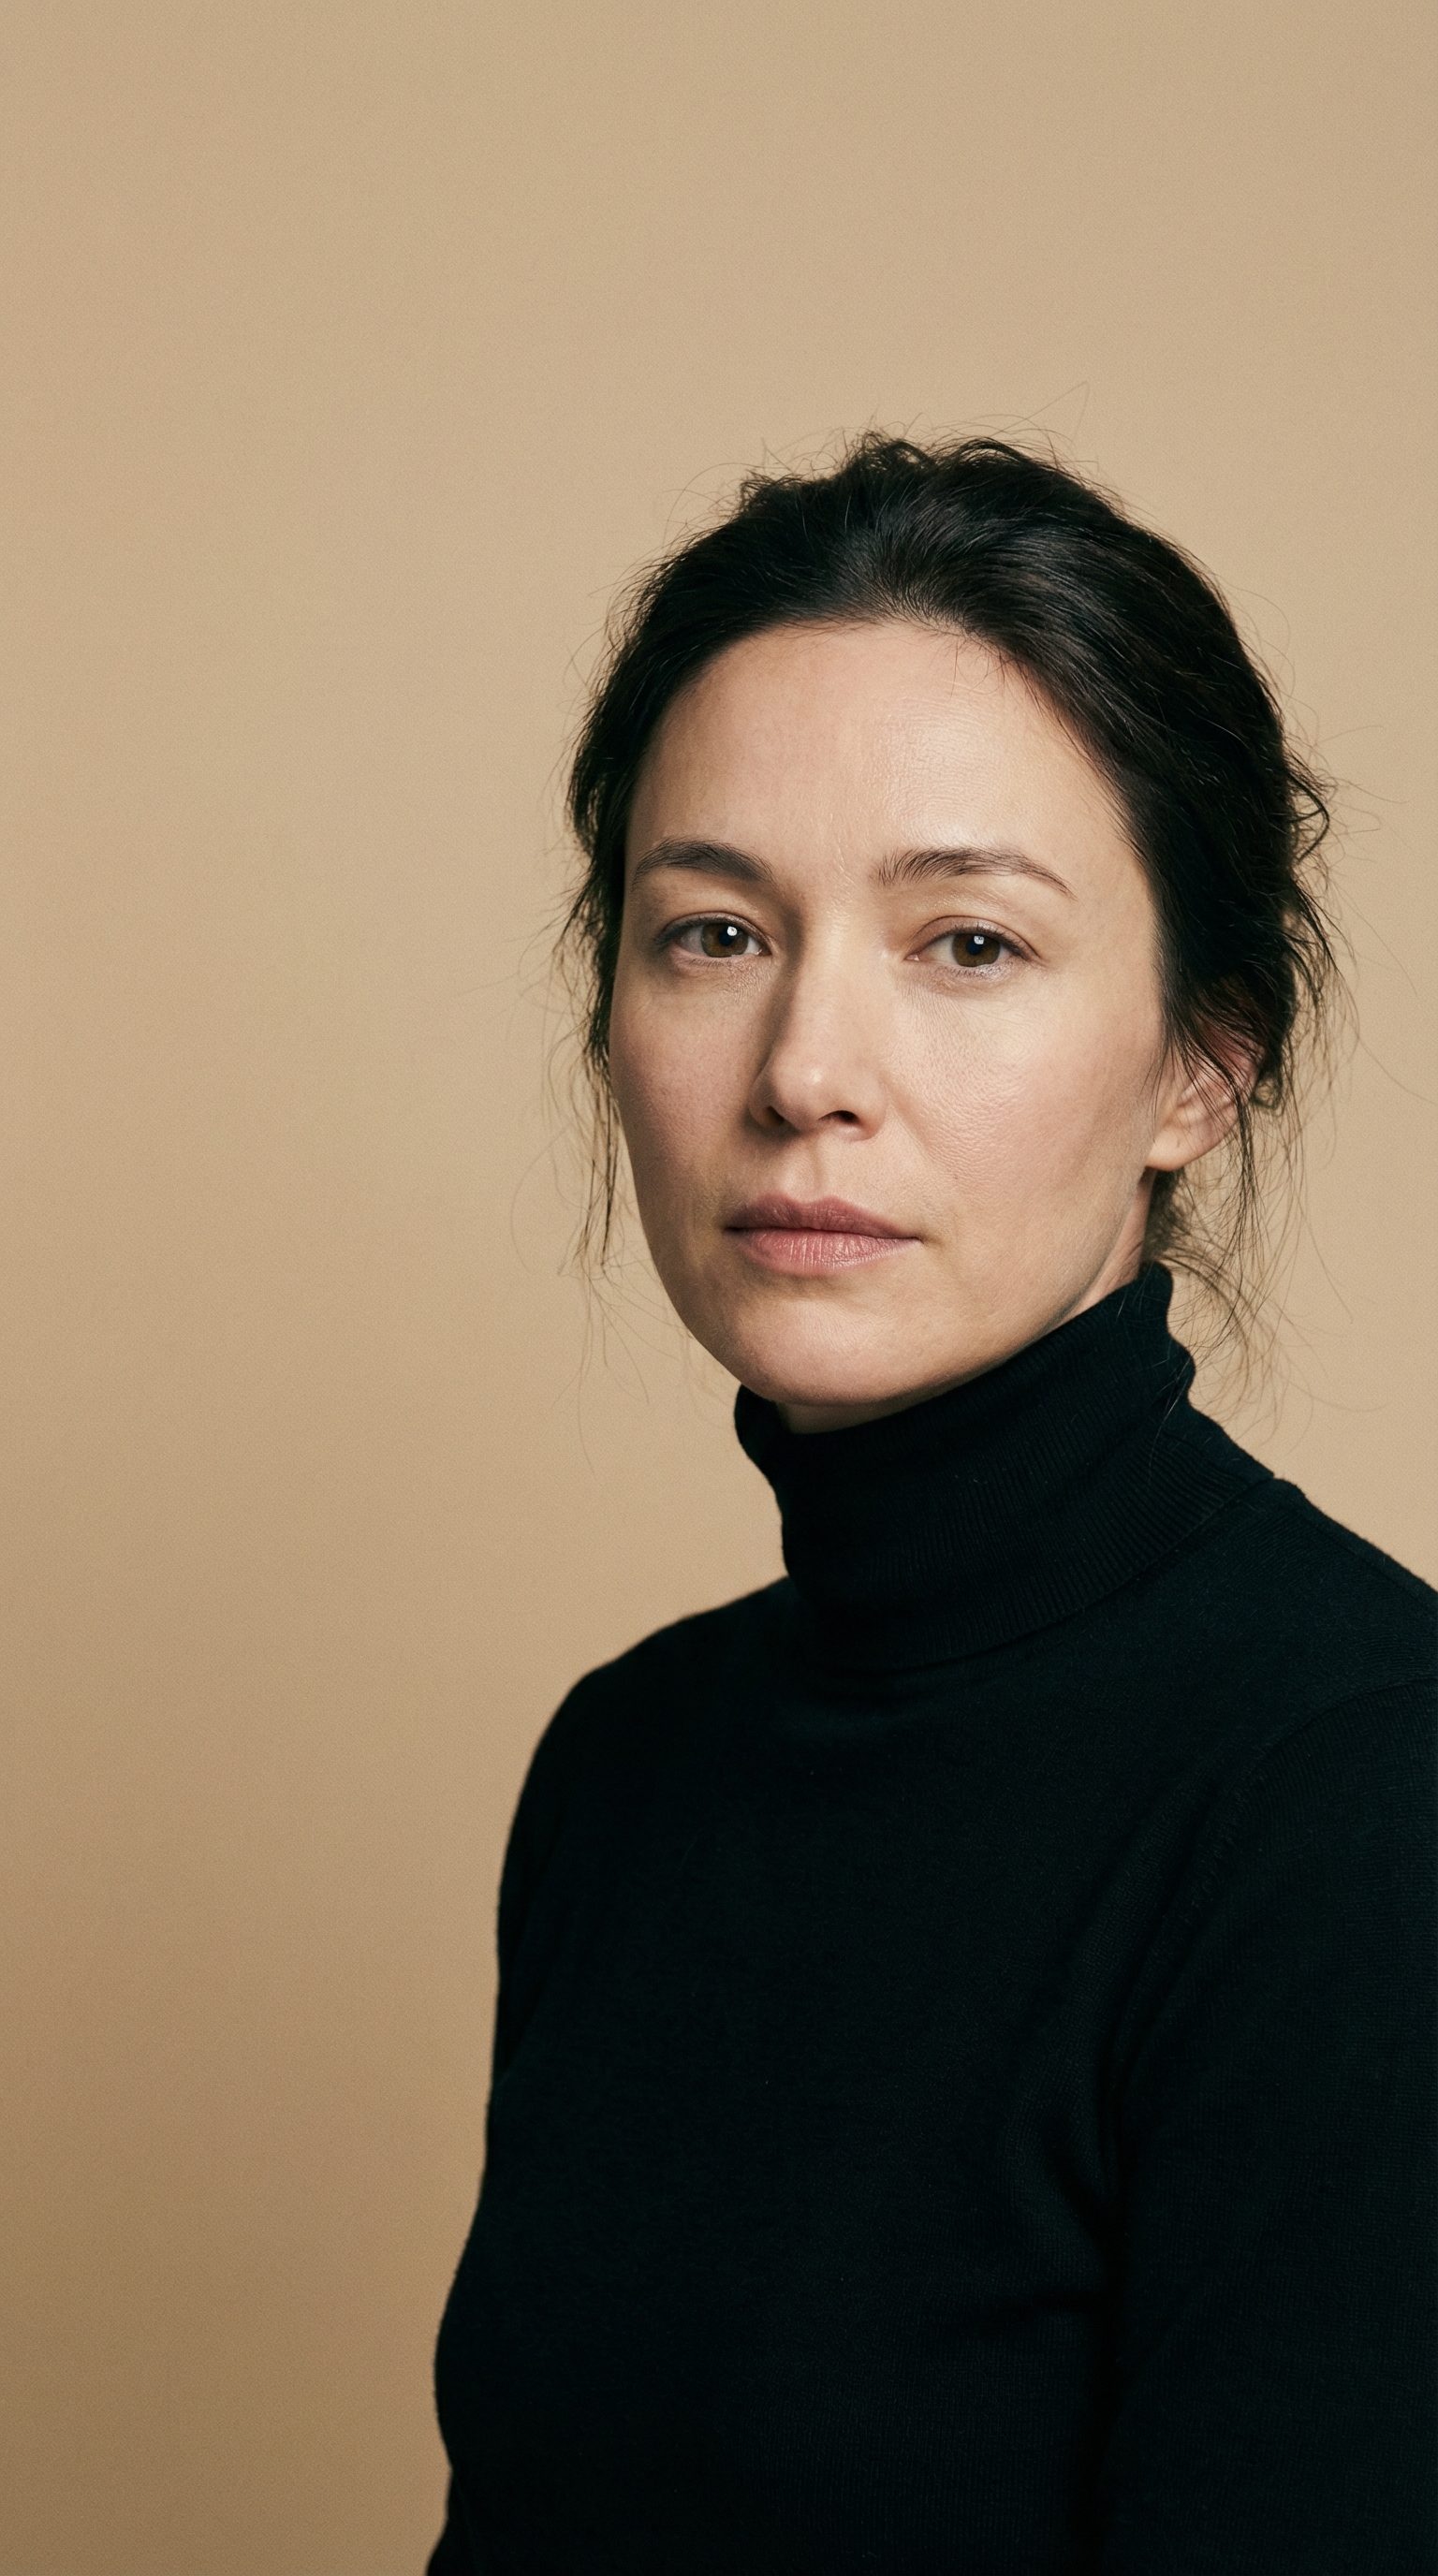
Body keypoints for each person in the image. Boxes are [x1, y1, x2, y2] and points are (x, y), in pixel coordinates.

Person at [424, 434, 1437, 2573]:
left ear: (1199, 1060)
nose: (806, 1064)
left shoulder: (1367, 1798)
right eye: (714, 930)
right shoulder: (631, 1763)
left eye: (967, 941)